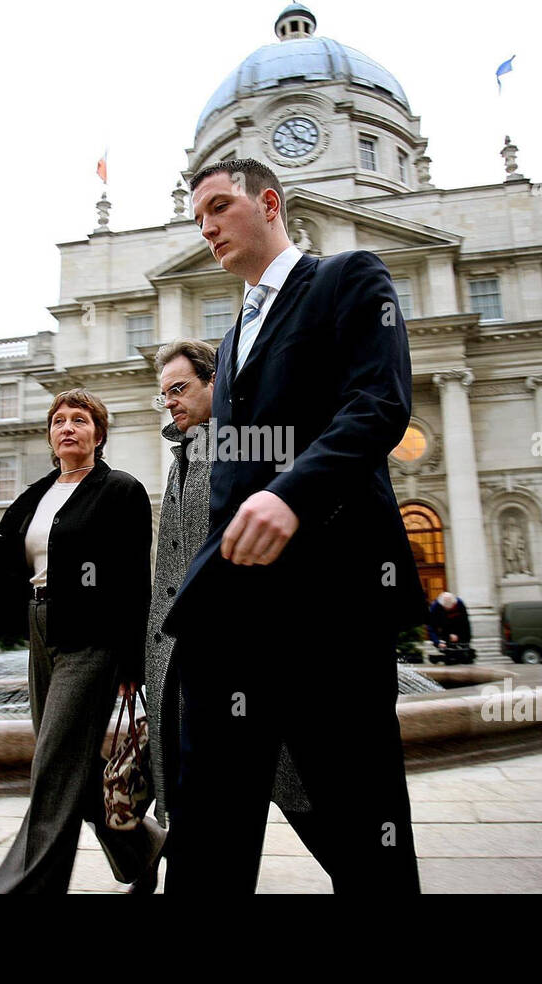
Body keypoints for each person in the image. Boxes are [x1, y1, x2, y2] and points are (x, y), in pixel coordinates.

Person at [163, 158, 426, 894]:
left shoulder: (348, 278)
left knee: (361, 808)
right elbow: (234, 476)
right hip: (231, 605)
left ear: (269, 202)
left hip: (329, 596)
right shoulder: (237, 331)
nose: (207, 225)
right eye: (197, 216)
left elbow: (378, 406)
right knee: (207, 812)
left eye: (219, 205)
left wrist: (294, 494)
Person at [139, 337, 336, 893]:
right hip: (183, 663)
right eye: (163, 396)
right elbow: (166, 574)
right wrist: (150, 655)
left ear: (213, 383)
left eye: (179, 389)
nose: (170, 402)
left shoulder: (247, 448)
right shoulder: (180, 458)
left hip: (245, 660)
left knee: (304, 798)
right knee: (199, 807)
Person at [0, 388, 165, 894]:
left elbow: (136, 580)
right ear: (50, 435)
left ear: (99, 433)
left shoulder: (120, 490)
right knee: (74, 767)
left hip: (92, 638)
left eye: (80, 420)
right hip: (40, 628)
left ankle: (24, 887)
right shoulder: (34, 496)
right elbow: (4, 574)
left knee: (52, 766)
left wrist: (133, 663)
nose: (68, 427)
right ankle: (143, 846)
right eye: (59, 421)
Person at [427, 592, 472, 662]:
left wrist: (464, 639)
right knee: (448, 652)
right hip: (444, 629)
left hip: (458, 628)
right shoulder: (435, 607)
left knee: (464, 654)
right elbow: (431, 627)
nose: (449, 610)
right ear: (442, 605)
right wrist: (437, 642)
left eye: (452, 607)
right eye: (446, 608)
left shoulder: (459, 603)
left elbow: (466, 623)